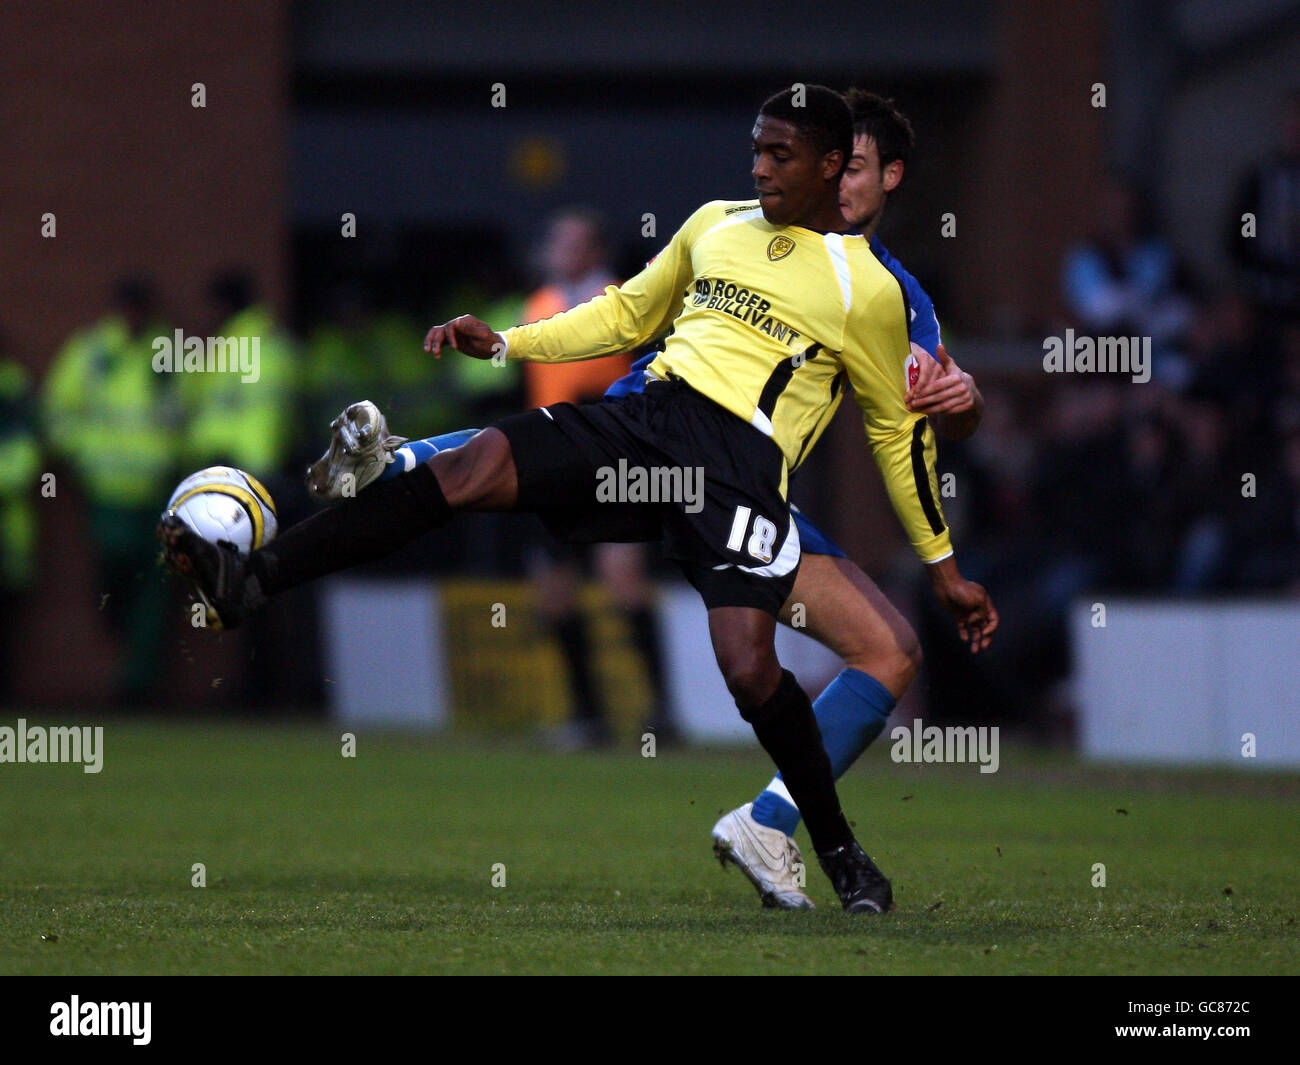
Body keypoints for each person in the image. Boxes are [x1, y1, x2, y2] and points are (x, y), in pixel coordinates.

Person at [162, 86, 997, 914]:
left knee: (749, 669)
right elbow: (627, 313)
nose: (761, 167)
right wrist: (507, 343)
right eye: (757, 149)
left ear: (847, 170)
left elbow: (900, 436)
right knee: (475, 469)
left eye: (784, 155)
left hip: (737, 470)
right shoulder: (718, 223)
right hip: (645, 418)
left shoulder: (875, 291)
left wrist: (944, 565)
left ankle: (836, 848)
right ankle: (257, 576)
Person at [43, 277, 177, 705]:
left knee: (156, 589)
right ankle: (126, 651)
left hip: (159, 493)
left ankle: (137, 684)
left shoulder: (170, 356)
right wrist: (82, 455)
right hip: (106, 491)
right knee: (115, 572)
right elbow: (58, 411)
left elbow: (192, 413)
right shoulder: (92, 352)